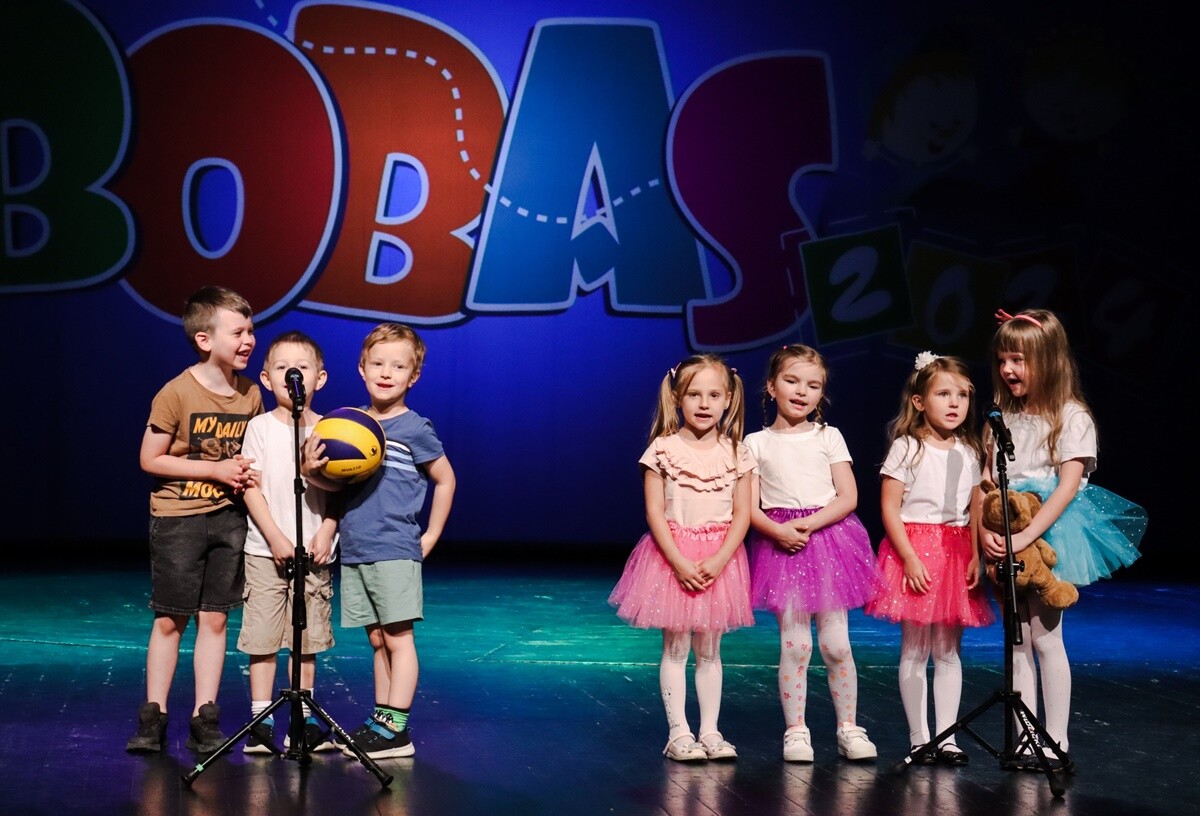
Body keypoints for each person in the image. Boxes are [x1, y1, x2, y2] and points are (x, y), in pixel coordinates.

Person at [982, 308, 1146, 770]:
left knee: (1045, 637)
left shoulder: (1070, 417)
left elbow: (1068, 487)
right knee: (1016, 640)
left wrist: (1027, 536)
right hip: (1008, 532)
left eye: (1018, 360)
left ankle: (1055, 739)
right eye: (1002, 360)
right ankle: (1024, 737)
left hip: (1050, 531)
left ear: (1048, 359)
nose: (1008, 369)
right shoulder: (1001, 417)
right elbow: (988, 482)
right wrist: (989, 533)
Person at [304, 323, 455, 760]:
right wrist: (310, 472)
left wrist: (431, 534)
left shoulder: (415, 428)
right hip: (357, 548)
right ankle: (381, 720)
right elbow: (337, 487)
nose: (386, 373)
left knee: (398, 637)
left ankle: (396, 728)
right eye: (378, 363)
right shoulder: (348, 424)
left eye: (398, 366)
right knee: (377, 640)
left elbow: (446, 479)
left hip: (394, 546)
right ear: (362, 368)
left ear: (414, 376)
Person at [126, 286, 263, 754]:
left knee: (215, 618)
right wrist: (214, 469)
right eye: (238, 332)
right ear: (204, 339)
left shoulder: (250, 394)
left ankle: (205, 716)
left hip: (229, 519)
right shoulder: (176, 392)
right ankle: (153, 716)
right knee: (171, 619)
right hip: (179, 519)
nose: (248, 340)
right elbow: (150, 458)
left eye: (251, 331)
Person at [608, 354, 756, 762]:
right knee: (676, 649)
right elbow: (655, 511)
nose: (704, 403)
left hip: (719, 559)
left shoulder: (738, 452)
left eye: (714, 395)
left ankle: (710, 731)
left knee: (710, 651)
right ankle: (678, 733)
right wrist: (677, 561)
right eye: (694, 394)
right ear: (677, 397)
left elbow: (743, 513)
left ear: (728, 399)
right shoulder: (662, 449)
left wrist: (721, 559)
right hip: (674, 557)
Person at [744, 344, 883, 763]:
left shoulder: (829, 436)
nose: (801, 391)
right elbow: (748, 506)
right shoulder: (755, 443)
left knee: (837, 644)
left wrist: (809, 524)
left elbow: (848, 496)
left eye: (813, 385)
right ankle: (796, 731)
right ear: (771, 387)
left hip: (827, 540)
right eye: (791, 381)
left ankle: (848, 727)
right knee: (796, 646)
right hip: (782, 545)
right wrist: (779, 530)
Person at [864, 352, 995, 766]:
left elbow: (975, 509)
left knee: (949, 651)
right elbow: (889, 508)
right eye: (943, 394)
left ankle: (947, 737)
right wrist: (908, 557)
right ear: (920, 401)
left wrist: (976, 555)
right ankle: (920, 737)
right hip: (915, 549)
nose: (955, 403)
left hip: (956, 552)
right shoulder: (907, 447)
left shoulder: (970, 452)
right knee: (916, 649)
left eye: (963, 395)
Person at [237, 330, 339, 754]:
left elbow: (341, 491)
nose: (291, 374)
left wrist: (327, 529)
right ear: (266, 378)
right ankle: (261, 719)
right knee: (262, 637)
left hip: (314, 551)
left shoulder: (332, 429)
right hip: (266, 551)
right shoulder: (259, 427)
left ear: (320, 378)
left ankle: (303, 719)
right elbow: (250, 488)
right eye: (281, 368)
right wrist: (276, 537)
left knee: (306, 636)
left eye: (301, 367)